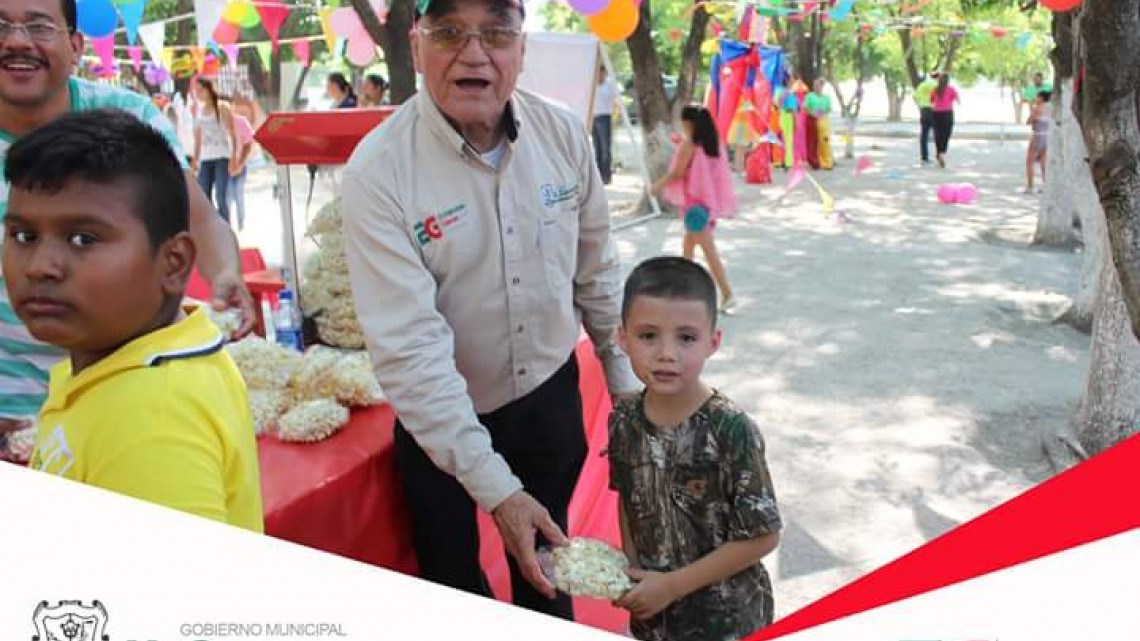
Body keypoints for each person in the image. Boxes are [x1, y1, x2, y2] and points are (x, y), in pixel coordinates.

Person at [339, 0, 640, 621]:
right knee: (453, 588)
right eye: (449, 32)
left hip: (549, 398)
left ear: (522, 50)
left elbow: (597, 271)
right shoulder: (378, 171)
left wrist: (629, 390)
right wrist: (499, 492)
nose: (474, 53)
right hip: (440, 417)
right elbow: (411, 350)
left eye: (497, 32)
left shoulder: (563, 135)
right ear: (418, 46)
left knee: (549, 582)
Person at [0, 0, 254, 438]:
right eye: (1, 26)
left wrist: (227, 274)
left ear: (76, 45)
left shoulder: (128, 118)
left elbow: (198, 217)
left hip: (131, 393)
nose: (16, 41)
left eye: (39, 27)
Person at [4, 109, 264, 532]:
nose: (40, 267)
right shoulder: (118, 363)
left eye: (83, 239)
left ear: (174, 262)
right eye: (23, 236)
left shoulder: (152, 416)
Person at [608, 256, 782, 641]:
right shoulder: (623, 421)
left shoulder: (731, 429)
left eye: (686, 337)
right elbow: (627, 499)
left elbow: (764, 535)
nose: (666, 353)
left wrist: (672, 585)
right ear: (623, 338)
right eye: (648, 335)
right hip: (654, 620)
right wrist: (634, 573)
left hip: (729, 621)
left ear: (713, 342)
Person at [652, 106, 738, 313]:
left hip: (694, 207)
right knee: (688, 247)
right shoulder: (712, 144)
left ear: (689, 123)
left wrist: (656, 186)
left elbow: (677, 173)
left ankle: (727, 294)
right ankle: (683, 291)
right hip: (706, 205)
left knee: (709, 251)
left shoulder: (690, 145)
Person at [191, 76, 238, 223]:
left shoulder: (222, 107)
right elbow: (198, 139)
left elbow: (232, 133)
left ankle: (226, 227)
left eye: (200, 90)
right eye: (196, 91)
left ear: (208, 89)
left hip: (221, 156)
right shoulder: (199, 111)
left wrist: (234, 157)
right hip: (206, 157)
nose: (198, 94)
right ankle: (211, 226)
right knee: (204, 193)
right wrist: (195, 159)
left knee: (221, 195)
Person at [227, 95, 255, 232]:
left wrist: (240, 163)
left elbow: (249, 143)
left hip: (239, 164)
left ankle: (241, 225)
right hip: (224, 167)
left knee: (238, 195)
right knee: (226, 197)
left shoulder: (241, 122)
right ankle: (228, 226)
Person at [592, 63, 616, 184]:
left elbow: (615, 99)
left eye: (601, 73)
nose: (599, 75)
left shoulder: (609, 84)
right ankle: (599, 175)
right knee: (597, 148)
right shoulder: (592, 85)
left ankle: (607, 175)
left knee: (605, 148)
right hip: (594, 117)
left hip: (605, 117)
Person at [930, 72, 959, 169]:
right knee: (946, 134)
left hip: (936, 114)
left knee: (937, 134)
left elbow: (931, 101)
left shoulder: (935, 89)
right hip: (947, 113)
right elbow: (958, 100)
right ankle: (942, 152)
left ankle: (939, 153)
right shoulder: (951, 89)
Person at [1025, 90, 1052, 194]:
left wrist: (1031, 107)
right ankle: (1045, 185)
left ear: (1041, 98)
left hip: (1037, 136)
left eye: (1037, 97)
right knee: (1043, 162)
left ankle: (1030, 186)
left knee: (1029, 162)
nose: (1035, 99)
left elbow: (1028, 121)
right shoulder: (1050, 108)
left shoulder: (1038, 108)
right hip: (1047, 136)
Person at [913, 72, 938, 165]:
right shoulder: (938, 85)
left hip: (924, 110)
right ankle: (939, 156)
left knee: (924, 135)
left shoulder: (922, 85)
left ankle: (924, 157)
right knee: (938, 134)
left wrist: (920, 106)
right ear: (938, 77)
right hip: (935, 111)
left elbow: (915, 97)